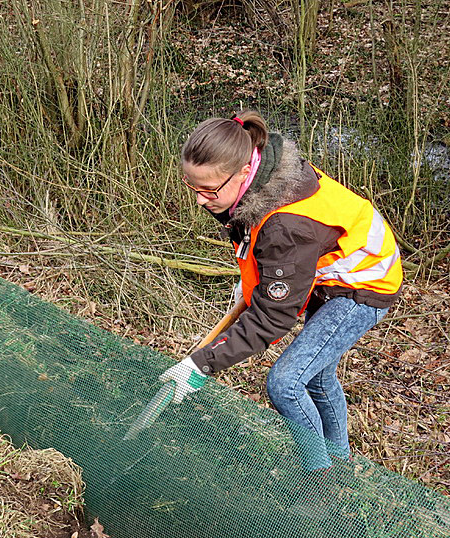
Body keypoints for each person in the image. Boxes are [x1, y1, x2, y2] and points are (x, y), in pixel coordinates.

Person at [159, 110, 402, 473]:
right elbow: (261, 247)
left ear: (244, 171)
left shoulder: (287, 227)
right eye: (192, 188)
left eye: (208, 190)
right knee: (318, 375)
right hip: (326, 271)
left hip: (364, 284)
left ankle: (318, 477)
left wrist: (201, 364)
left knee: (286, 383)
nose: (199, 200)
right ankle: (339, 461)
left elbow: (273, 316)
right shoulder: (258, 179)